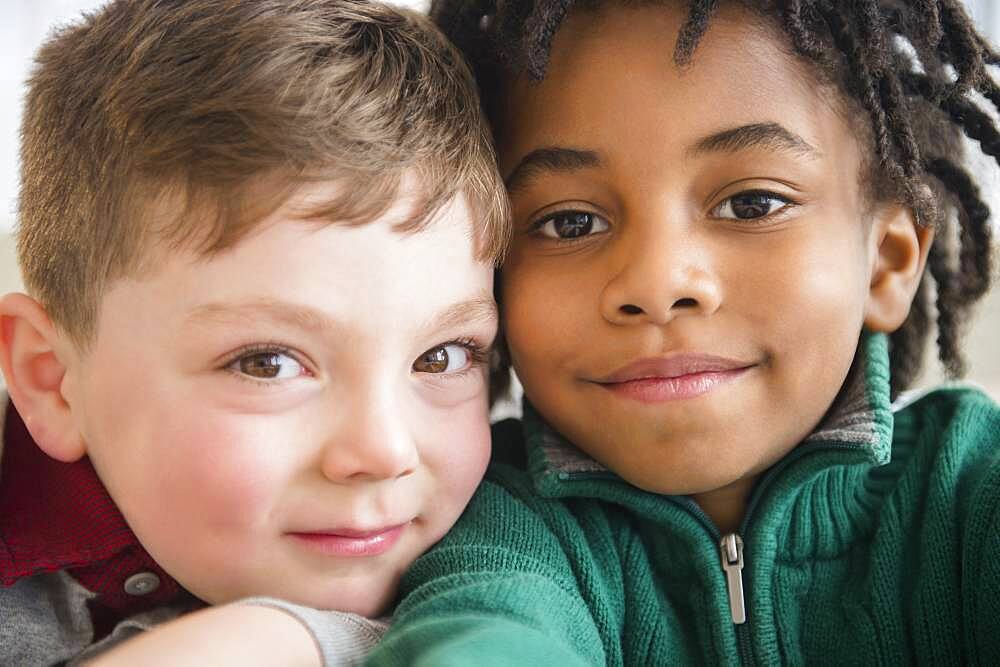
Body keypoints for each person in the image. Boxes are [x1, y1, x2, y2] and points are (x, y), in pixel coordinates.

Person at [360, 0, 1000, 663]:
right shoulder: (494, 522)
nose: (657, 284)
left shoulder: (969, 490)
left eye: (752, 204)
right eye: (570, 222)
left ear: (887, 263)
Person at [0, 0, 508, 664]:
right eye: (268, 363)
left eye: (442, 356)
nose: (384, 452)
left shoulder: (512, 542)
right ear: (54, 382)